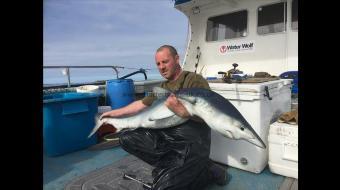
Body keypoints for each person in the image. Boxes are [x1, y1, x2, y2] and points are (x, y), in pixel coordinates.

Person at [100, 45, 228, 190]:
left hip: (193, 144)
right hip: (171, 140)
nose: (161, 67)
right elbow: (141, 104)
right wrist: (114, 113)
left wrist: (185, 113)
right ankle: (172, 168)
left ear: (177, 59)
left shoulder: (194, 81)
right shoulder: (162, 88)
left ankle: (207, 170)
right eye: (158, 64)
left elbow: (209, 116)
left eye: (165, 62)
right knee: (127, 138)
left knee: (163, 188)